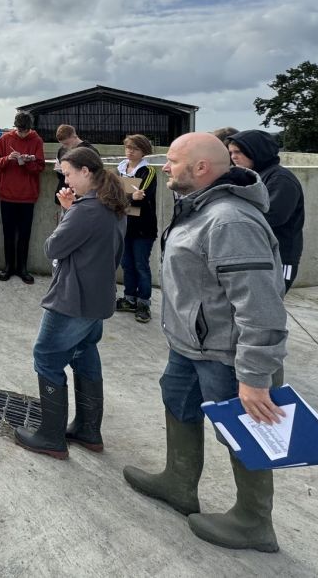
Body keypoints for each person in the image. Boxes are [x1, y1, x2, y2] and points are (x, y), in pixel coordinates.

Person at [123, 133, 287, 554]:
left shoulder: (230, 221)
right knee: (178, 402)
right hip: (189, 345)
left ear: (201, 168)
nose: (165, 167)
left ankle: (254, 522)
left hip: (224, 354)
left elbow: (261, 306)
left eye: (173, 161)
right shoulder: (199, 206)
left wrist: (255, 376)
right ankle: (179, 484)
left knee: (243, 431)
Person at [14, 147, 127, 459]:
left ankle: (51, 437)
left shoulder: (86, 210)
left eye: (68, 173)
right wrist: (70, 208)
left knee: (46, 356)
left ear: (85, 171)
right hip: (97, 297)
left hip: (73, 298)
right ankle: (88, 430)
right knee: (83, 352)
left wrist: (68, 211)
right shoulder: (113, 204)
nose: (66, 180)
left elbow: (53, 248)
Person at [228, 130, 305, 291]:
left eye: (239, 152)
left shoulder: (280, 179)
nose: (234, 157)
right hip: (257, 253)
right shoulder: (252, 176)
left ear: (256, 151)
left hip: (279, 256)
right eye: (231, 153)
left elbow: (272, 216)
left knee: (271, 299)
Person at [0, 111, 47, 283]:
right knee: (8, 233)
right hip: (7, 195)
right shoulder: (5, 139)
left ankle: (22, 268)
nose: (22, 134)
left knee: (24, 234)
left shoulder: (37, 140)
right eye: (19, 130)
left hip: (27, 196)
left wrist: (26, 163)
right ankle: (8, 267)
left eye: (25, 131)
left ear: (30, 128)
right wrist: (8, 158)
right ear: (15, 127)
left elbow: (40, 167)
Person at [116, 133, 158, 323]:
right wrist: (130, 197)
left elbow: (142, 196)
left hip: (143, 227)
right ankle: (129, 298)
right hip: (125, 224)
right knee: (127, 264)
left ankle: (143, 303)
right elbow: (116, 194)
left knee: (141, 264)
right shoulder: (121, 168)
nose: (130, 152)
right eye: (128, 148)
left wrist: (128, 197)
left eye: (135, 149)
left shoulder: (147, 171)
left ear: (144, 151)